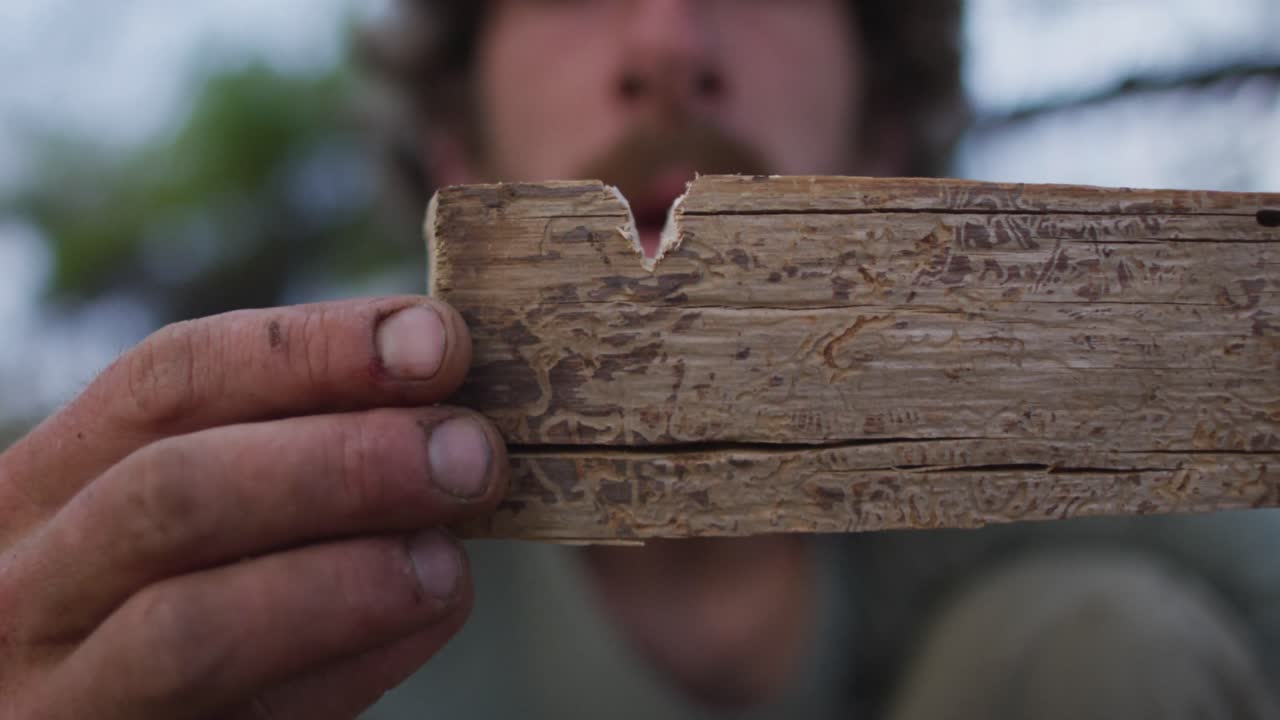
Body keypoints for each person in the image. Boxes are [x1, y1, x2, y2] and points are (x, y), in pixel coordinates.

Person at [0, 1, 1275, 718]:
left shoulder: (1098, 441)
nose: (667, 36)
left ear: (883, 132)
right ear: (456, 152)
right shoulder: (237, 521)